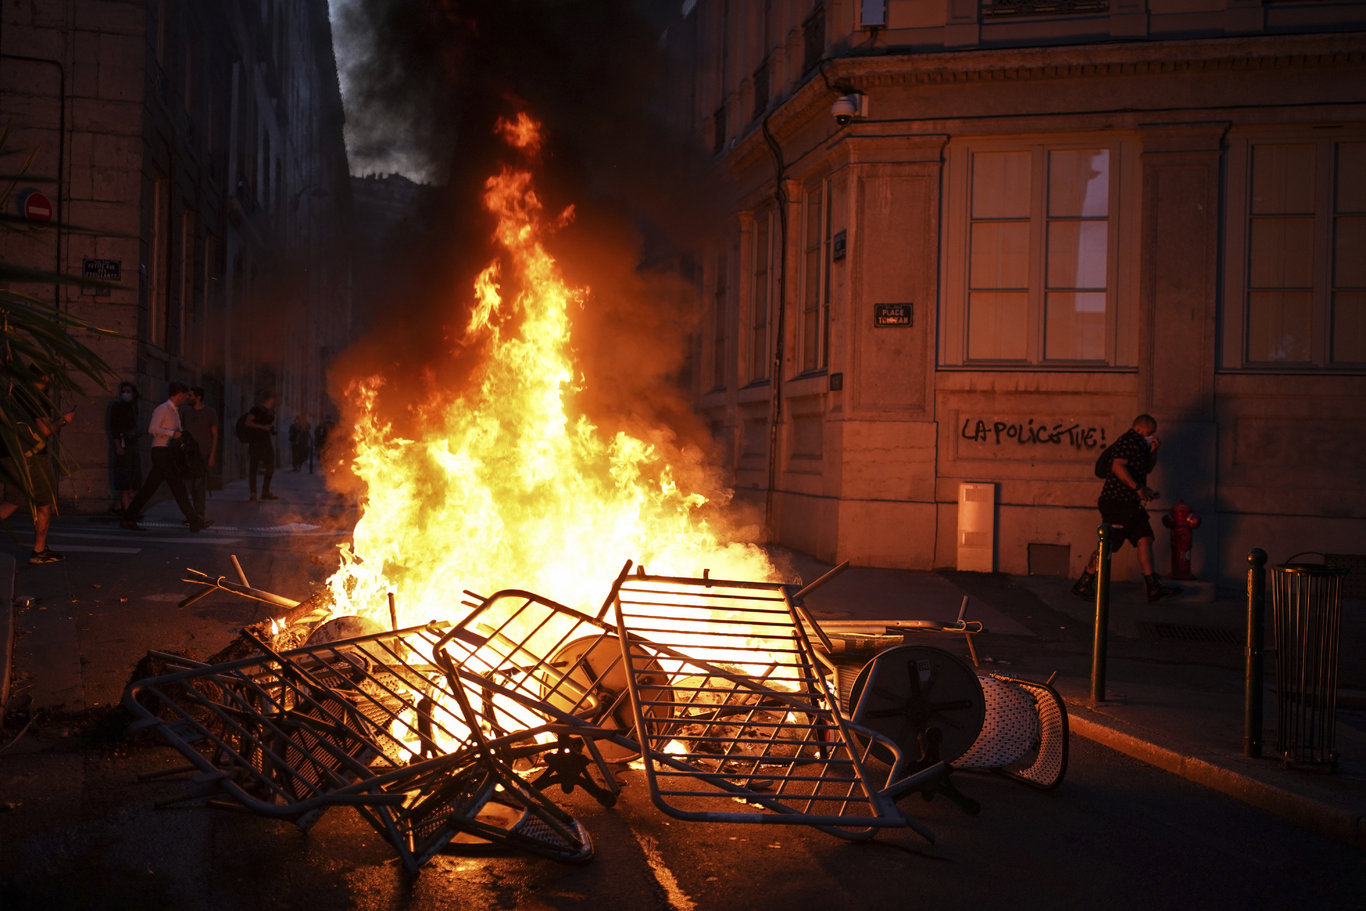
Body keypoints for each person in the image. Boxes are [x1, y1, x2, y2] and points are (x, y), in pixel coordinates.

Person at [1071, 413, 1180, 603]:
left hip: (1131, 504)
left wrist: (1153, 452)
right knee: (1108, 544)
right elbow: (1118, 467)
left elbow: (1146, 469)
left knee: (1145, 539)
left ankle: (1152, 586)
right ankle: (1085, 582)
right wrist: (1138, 489)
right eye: (1150, 433)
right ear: (1139, 429)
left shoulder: (1140, 446)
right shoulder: (1128, 441)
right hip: (1117, 502)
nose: (1152, 437)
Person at [0, 368, 75, 564]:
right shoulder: (36, 398)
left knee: (13, 500)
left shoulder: (13, 392)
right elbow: (44, 430)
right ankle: (39, 551)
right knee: (43, 503)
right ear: (45, 376)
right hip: (32, 458)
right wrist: (63, 421)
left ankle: (40, 550)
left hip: (9, 454)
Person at [119, 382, 213, 533]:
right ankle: (195, 521)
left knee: (150, 488)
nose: (185, 398)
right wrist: (172, 433)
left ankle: (128, 517)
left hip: (169, 453)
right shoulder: (162, 409)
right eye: (184, 394)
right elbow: (152, 429)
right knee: (178, 488)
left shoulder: (175, 411)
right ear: (179, 394)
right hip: (161, 452)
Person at [181, 385, 219, 521]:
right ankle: (191, 514)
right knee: (189, 486)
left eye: (190, 395)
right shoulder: (186, 412)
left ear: (198, 397)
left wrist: (212, 455)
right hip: (188, 454)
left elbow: (215, 434)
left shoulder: (210, 412)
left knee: (199, 485)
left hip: (203, 454)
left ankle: (199, 513)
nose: (187, 398)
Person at [106, 381, 143, 516]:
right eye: (124, 391)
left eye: (128, 391)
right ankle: (128, 512)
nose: (125, 394)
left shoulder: (133, 407)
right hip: (123, 444)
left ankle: (119, 507)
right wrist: (117, 445)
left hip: (132, 444)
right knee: (125, 481)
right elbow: (114, 428)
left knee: (133, 480)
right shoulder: (117, 407)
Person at [245, 394, 278, 501]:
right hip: (255, 442)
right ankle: (253, 493)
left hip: (266, 442)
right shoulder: (256, 409)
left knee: (270, 467)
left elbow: (268, 425)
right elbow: (248, 422)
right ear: (270, 399)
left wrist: (271, 429)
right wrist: (263, 427)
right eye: (275, 399)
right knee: (253, 467)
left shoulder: (272, 412)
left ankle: (265, 491)